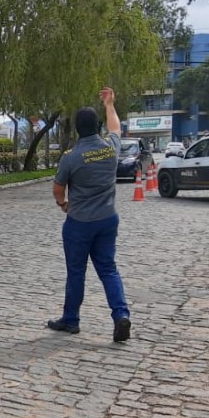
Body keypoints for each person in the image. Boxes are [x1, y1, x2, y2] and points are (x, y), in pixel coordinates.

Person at [49, 87, 131, 343]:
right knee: (108, 269)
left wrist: (63, 204)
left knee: (76, 272)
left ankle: (71, 320)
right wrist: (109, 104)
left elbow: (58, 189)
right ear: (97, 126)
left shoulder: (71, 157)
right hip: (108, 220)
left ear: (76, 129)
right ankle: (120, 315)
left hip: (80, 223)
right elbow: (116, 128)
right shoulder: (111, 148)